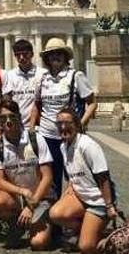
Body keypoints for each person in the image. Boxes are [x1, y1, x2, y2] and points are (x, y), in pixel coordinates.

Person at [32, 37, 97, 196]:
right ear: (47, 58)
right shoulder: (42, 79)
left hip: (69, 136)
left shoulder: (76, 76)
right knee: (50, 179)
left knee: (74, 178)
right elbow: (37, 104)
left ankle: (72, 213)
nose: (55, 56)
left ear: (65, 56)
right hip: (47, 136)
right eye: (51, 54)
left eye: (59, 53)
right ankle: (52, 213)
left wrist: (80, 123)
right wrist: (32, 126)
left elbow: (93, 102)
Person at [0, 99, 54, 250]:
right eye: (3, 118)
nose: (8, 121)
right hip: (18, 198)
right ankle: (16, 224)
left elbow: (48, 177)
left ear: (19, 116)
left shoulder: (36, 138)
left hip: (41, 196)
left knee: (38, 243)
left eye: (12, 116)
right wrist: (22, 191)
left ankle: (44, 220)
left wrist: (31, 206)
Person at [49, 109, 117, 254]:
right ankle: (88, 228)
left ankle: (103, 236)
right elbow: (71, 173)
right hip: (81, 197)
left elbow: (103, 177)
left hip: (99, 201)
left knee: (86, 247)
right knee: (55, 213)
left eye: (67, 123)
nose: (62, 127)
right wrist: (69, 189)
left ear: (77, 124)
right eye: (59, 123)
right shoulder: (63, 146)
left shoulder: (87, 145)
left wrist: (109, 205)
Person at [2, 39, 47, 127]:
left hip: (39, 126)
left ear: (32, 54)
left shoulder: (42, 74)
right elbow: (7, 100)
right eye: (18, 55)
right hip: (17, 125)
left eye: (25, 54)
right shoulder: (10, 75)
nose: (21, 57)